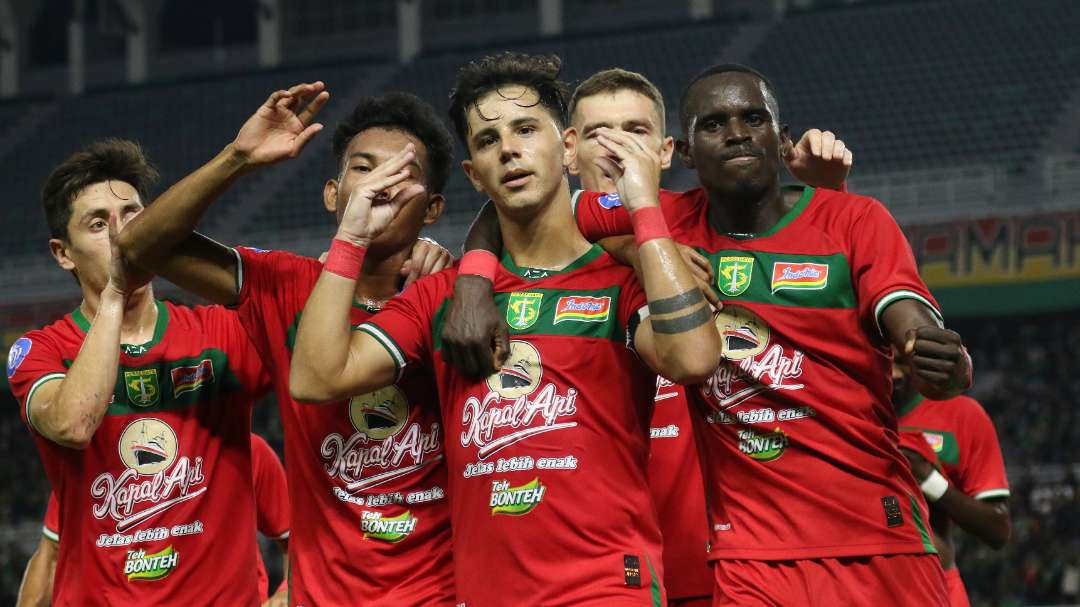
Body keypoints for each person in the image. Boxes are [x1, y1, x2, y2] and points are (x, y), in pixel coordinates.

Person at [288, 52, 721, 606]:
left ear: (566, 148)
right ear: (472, 172)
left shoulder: (621, 281)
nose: (509, 148)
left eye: (525, 129)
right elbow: (316, 377)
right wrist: (350, 238)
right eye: (487, 140)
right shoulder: (439, 297)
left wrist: (642, 208)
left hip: (608, 587)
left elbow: (692, 360)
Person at [446, 66, 856, 606]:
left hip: (742, 561)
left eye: (635, 131)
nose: (616, 147)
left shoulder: (704, 222)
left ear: (666, 151)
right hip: (616, 572)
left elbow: (808, 269)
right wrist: (473, 279)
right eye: (597, 133)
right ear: (568, 150)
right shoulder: (551, 235)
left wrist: (827, 194)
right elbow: (503, 207)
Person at [115, 84, 457, 605]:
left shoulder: (458, 296)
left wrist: (461, 270)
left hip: (443, 592)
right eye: (364, 169)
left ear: (432, 208)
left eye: (403, 175)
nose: (380, 187)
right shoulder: (283, 284)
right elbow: (139, 245)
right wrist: (238, 158)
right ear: (331, 194)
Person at [7, 140, 269, 605]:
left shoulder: (223, 333)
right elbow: (72, 423)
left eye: (132, 215)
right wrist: (114, 294)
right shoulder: (40, 350)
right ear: (62, 253)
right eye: (97, 224)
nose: (122, 235)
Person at [16, 433, 291, 607]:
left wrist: (286, 594)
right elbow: (51, 555)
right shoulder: (90, 465)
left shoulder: (245, 450)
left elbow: (295, 538)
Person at [894, 355, 1011, 607]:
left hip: (937, 588)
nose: (894, 373)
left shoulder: (961, 415)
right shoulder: (842, 418)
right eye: (884, 360)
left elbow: (998, 530)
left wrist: (929, 481)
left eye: (901, 361)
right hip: (857, 586)